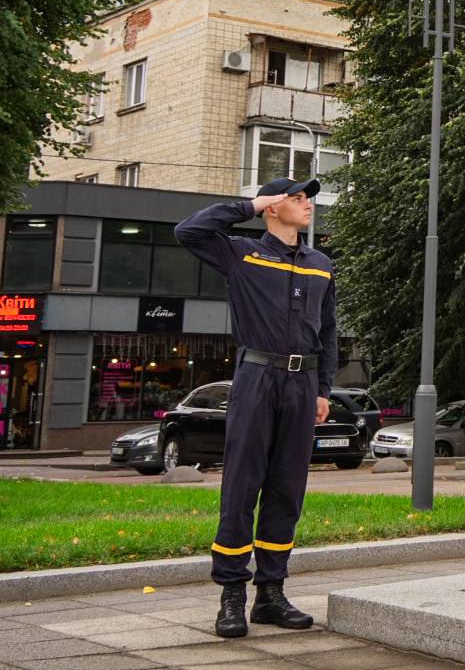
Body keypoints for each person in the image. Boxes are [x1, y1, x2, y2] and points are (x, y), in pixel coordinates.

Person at [174, 177, 338, 637]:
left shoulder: (321, 263)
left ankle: (271, 593)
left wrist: (324, 389)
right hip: (256, 377)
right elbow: (187, 232)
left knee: (288, 488)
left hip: (303, 384)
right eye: (298, 198)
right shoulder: (241, 252)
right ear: (273, 207)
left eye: (309, 199)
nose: (307, 206)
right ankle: (231, 595)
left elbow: (328, 332)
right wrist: (248, 205)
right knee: (243, 484)